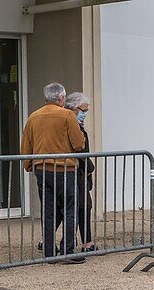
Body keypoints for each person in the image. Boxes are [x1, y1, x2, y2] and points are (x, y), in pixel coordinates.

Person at [21, 82, 88, 263]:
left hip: (42, 169)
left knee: (48, 210)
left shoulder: (33, 117)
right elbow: (78, 144)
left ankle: (49, 252)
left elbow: (26, 145)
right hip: (64, 169)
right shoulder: (67, 115)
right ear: (61, 98)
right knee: (69, 208)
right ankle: (67, 250)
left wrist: (29, 165)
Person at [64, 92, 95, 252]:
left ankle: (51, 241)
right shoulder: (72, 126)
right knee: (81, 207)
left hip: (77, 172)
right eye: (84, 110)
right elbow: (80, 149)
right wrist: (89, 166)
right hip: (74, 172)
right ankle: (84, 243)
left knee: (73, 208)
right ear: (74, 109)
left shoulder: (77, 126)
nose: (85, 114)